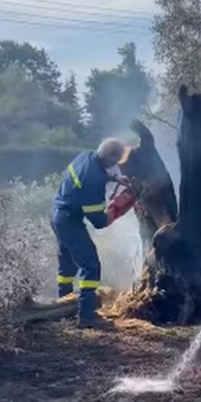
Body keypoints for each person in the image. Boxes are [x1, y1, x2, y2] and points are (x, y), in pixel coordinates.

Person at [52, 138, 133, 329]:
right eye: (116, 161)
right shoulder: (93, 180)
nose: (116, 165)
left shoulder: (86, 156)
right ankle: (87, 317)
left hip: (58, 215)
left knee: (67, 268)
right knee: (90, 266)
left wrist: (115, 179)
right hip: (70, 221)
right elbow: (98, 222)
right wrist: (119, 208)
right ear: (111, 156)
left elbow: (94, 173)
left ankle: (63, 307)